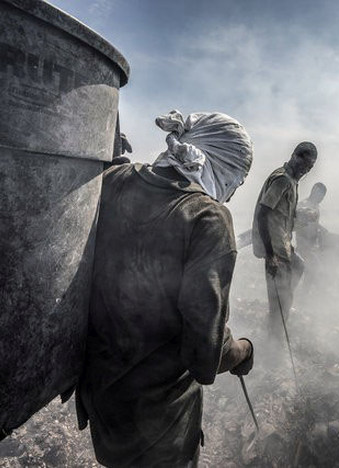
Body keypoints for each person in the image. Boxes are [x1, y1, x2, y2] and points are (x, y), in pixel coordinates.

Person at [76, 110, 255, 467]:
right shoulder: (207, 218)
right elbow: (206, 357)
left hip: (102, 401)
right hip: (159, 425)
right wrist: (244, 351)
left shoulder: (115, 179)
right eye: (237, 179)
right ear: (221, 164)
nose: (233, 193)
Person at [251, 141, 318, 337]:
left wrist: (303, 217)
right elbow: (263, 213)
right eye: (304, 165)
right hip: (275, 249)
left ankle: (278, 321)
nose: (306, 171)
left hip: (283, 244)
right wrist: (270, 255)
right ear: (295, 156)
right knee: (279, 299)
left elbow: (282, 215)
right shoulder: (282, 180)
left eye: (310, 167)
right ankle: (275, 339)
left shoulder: (292, 181)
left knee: (298, 269)